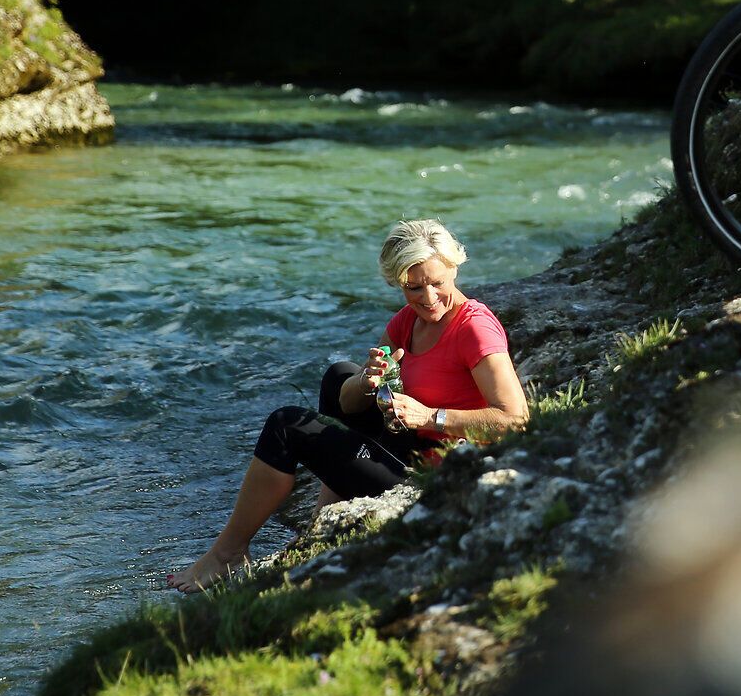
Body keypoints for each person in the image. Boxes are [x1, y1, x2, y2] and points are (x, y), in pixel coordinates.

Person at [167, 218, 529, 592]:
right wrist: (366, 380)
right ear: (397, 282)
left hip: (434, 476)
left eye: (437, 283)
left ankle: (228, 553)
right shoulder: (408, 321)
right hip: (407, 444)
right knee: (340, 374)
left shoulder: (474, 328)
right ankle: (325, 517)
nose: (428, 297)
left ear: (453, 268)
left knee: (286, 425)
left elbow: (515, 419)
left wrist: (429, 416)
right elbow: (347, 403)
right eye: (413, 287)